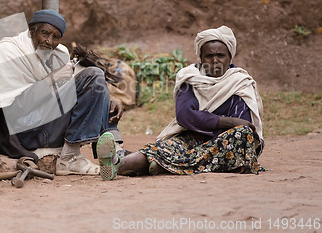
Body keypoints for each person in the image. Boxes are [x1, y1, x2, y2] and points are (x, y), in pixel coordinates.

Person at [97, 25, 264, 180]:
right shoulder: (189, 77)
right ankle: (116, 164)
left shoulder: (240, 82)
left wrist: (212, 125)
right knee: (165, 148)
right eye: (209, 56)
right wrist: (229, 121)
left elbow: (244, 127)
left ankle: (161, 163)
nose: (215, 61)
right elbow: (185, 115)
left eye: (220, 55)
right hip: (190, 138)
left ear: (230, 57)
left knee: (241, 134)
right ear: (201, 58)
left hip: (223, 143)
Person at [0, 9, 124, 175]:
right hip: (19, 132)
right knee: (93, 75)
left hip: (46, 125)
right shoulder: (9, 51)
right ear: (32, 30)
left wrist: (104, 102)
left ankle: (116, 151)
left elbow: (67, 95)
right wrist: (52, 80)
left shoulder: (58, 54)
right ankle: (70, 158)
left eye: (55, 37)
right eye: (44, 33)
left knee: (96, 77)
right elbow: (14, 110)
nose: (49, 41)